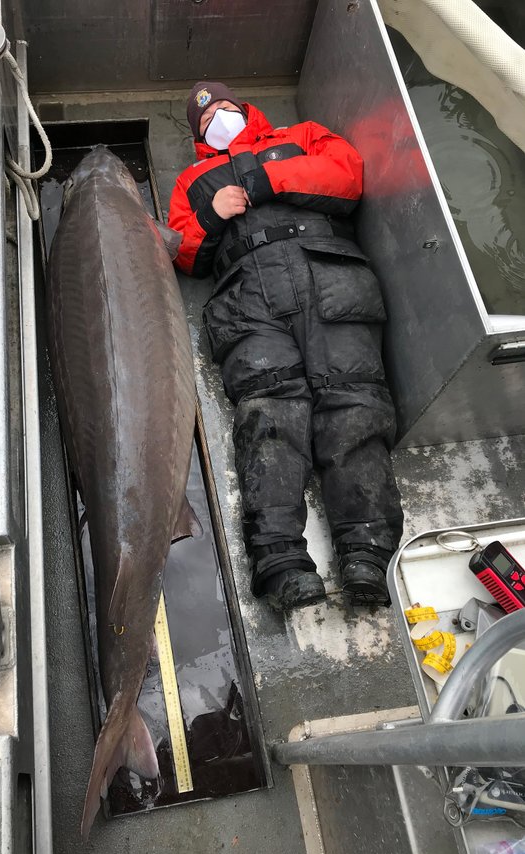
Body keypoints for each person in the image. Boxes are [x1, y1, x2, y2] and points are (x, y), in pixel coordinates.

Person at [168, 81, 404, 612]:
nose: (217, 118)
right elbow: (183, 251)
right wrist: (212, 215)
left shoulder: (301, 136)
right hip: (248, 297)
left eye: (224, 107)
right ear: (196, 138)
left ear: (244, 107)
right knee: (269, 413)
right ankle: (280, 561)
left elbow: (347, 176)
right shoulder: (192, 179)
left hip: (329, 278)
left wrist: (266, 178)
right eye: (204, 121)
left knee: (354, 402)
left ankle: (366, 551)